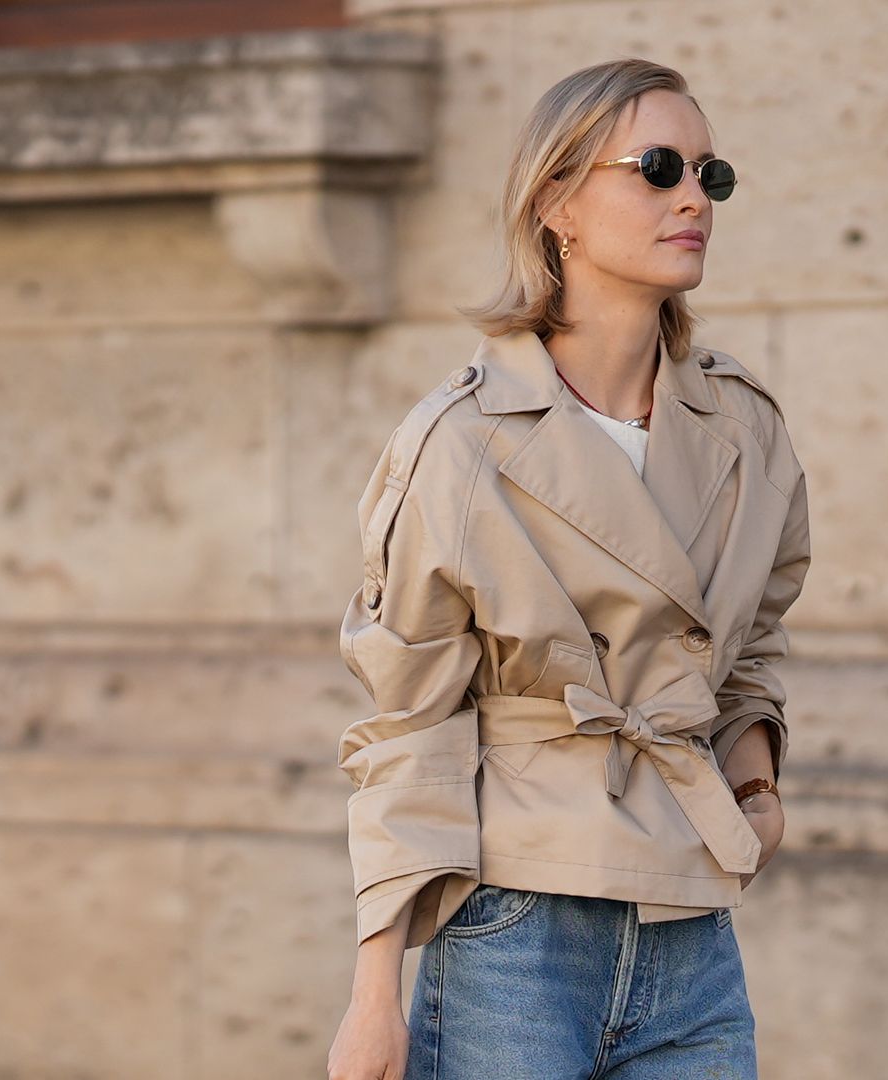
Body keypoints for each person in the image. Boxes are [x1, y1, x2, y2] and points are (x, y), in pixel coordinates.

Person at [327, 56, 810, 1080]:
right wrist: (375, 998)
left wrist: (756, 779)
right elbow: (406, 726)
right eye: (659, 167)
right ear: (558, 202)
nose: (693, 197)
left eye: (710, 175)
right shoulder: (459, 443)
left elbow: (752, 635)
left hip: (692, 925)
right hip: (518, 927)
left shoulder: (744, 427)